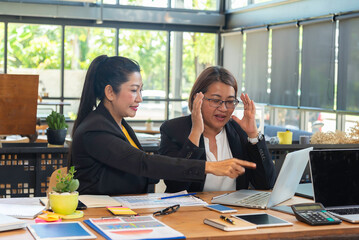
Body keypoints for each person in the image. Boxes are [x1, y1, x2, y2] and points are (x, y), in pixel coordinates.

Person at [70, 55, 257, 195]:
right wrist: (209, 167)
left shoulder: (120, 125)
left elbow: (146, 170)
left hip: (124, 209)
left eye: (140, 90)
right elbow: (142, 163)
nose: (140, 98)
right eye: (134, 90)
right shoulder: (95, 129)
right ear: (110, 92)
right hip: (99, 214)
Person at [159, 66, 276, 193]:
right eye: (216, 100)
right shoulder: (173, 129)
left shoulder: (238, 131)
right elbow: (175, 186)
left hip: (234, 211)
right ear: (197, 99)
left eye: (230, 101)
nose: (224, 108)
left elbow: (266, 184)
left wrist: (253, 134)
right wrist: (195, 133)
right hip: (190, 211)